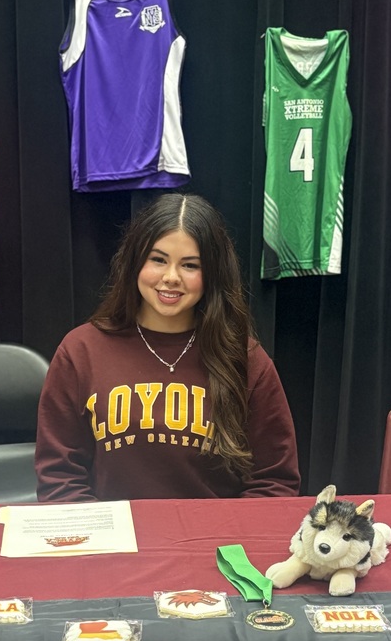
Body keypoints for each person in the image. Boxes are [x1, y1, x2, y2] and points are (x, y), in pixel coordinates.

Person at [35, 193, 300, 501]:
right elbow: (60, 477)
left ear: (213, 274)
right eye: (158, 260)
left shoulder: (246, 358)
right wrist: (102, 544)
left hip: (212, 544)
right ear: (135, 262)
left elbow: (274, 482)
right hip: (115, 541)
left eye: (190, 265)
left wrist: (225, 545)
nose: (171, 277)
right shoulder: (81, 350)